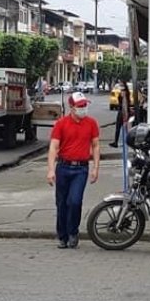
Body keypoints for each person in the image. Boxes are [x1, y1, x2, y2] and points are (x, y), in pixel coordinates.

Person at [47, 92, 101, 249]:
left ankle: (73, 232)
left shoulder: (91, 123)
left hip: (81, 169)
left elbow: (96, 145)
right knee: (62, 203)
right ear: (71, 107)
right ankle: (62, 236)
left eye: (85, 105)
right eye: (80, 106)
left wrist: (96, 168)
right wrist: (50, 170)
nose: (83, 108)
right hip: (63, 167)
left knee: (75, 201)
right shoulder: (61, 124)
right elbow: (53, 147)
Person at [110, 80, 131, 147]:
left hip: (122, 112)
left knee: (118, 127)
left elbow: (124, 104)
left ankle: (116, 142)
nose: (120, 86)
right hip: (124, 111)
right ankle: (127, 142)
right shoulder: (126, 92)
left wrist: (125, 114)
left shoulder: (123, 93)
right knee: (125, 128)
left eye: (121, 84)